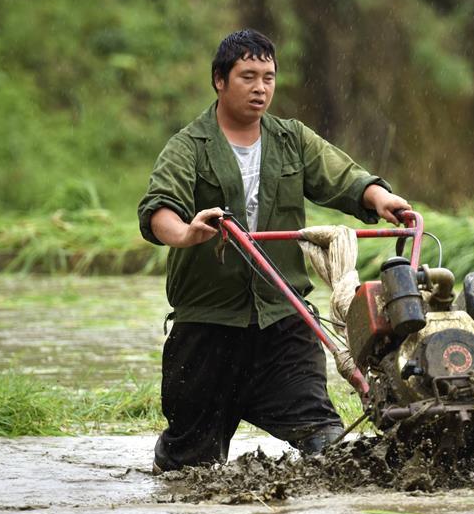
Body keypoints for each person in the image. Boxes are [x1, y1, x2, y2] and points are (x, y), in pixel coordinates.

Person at [138, 29, 410, 473]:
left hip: (282, 324)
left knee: (327, 444)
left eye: (268, 76)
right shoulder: (188, 146)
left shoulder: (292, 140)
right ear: (219, 81)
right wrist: (187, 233)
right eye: (248, 76)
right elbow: (158, 209)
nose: (260, 87)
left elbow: (343, 177)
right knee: (188, 469)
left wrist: (380, 197)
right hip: (207, 329)